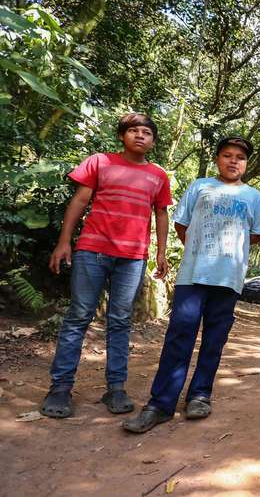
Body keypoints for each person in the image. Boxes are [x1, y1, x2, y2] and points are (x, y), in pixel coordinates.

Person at [123, 136, 260, 433]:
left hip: (228, 280)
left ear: (246, 163)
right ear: (218, 158)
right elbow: (181, 224)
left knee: (215, 339)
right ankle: (161, 403)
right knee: (180, 334)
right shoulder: (199, 186)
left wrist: (229, 253)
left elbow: (255, 234)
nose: (233, 161)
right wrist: (200, 251)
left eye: (239, 157)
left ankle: (200, 395)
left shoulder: (253, 196)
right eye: (227, 155)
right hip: (193, 275)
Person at [41, 113, 172, 419]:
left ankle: (115, 388)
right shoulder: (100, 162)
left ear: (152, 141)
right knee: (79, 316)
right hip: (92, 250)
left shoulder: (158, 176)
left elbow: (162, 214)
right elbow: (79, 200)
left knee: (120, 320)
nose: (140, 136)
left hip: (133, 257)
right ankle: (60, 388)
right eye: (133, 131)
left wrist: (161, 252)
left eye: (147, 133)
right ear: (122, 136)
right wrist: (64, 241)